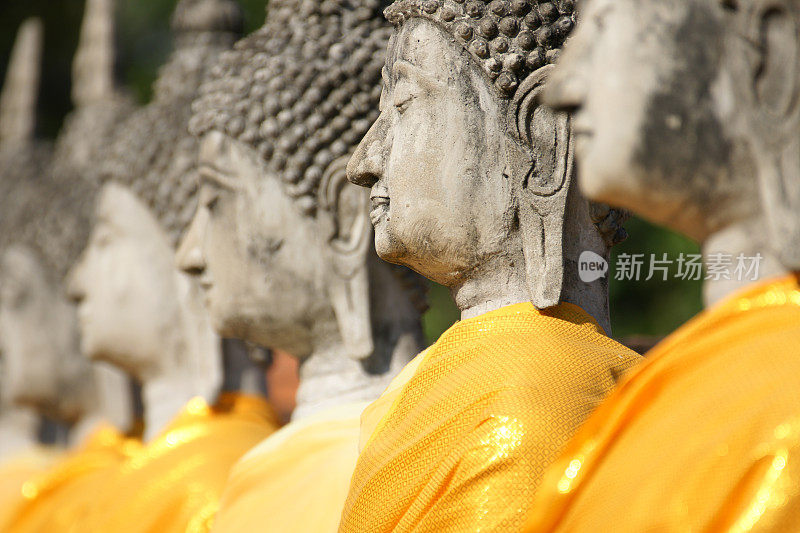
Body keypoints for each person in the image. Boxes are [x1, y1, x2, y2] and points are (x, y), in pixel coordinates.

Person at [337, 1, 641, 531]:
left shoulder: (525, 407)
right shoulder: (439, 385)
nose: (364, 161)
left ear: (540, 139)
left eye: (403, 103)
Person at [525, 0, 800, 530]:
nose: (563, 90)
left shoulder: (783, 398)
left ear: (769, 58)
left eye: (603, 26)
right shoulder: (692, 382)